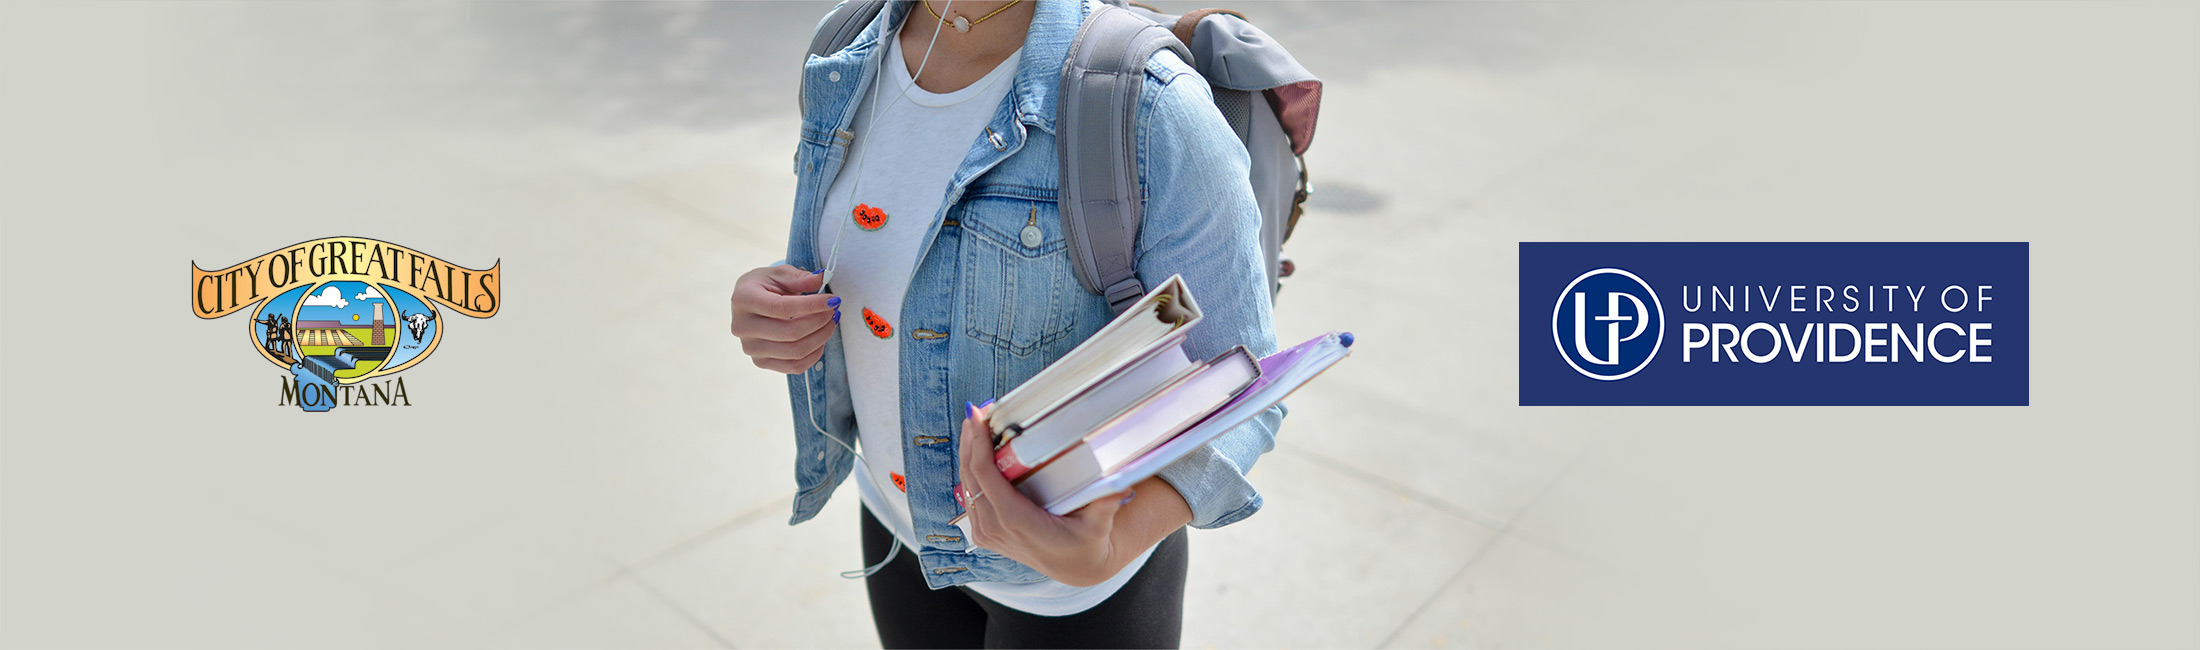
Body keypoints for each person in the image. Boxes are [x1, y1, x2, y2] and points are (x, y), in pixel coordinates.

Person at [727, 0, 1283, 646]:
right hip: (896, 527)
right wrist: (775, 302)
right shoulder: (845, 46)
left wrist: (1108, 548)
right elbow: (878, 248)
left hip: (1075, 595)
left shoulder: (1150, 105)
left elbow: (1242, 383)